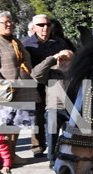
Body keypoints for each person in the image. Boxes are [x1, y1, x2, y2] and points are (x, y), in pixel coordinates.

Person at [0, 10, 68, 165]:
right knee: (7, 125)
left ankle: (12, 155)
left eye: (10, 21)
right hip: (5, 90)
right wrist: (1, 81)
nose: (9, 24)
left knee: (15, 126)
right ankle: (5, 159)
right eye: (5, 22)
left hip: (21, 89)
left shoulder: (14, 40)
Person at [22, 14, 69, 157]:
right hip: (35, 83)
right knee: (37, 115)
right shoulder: (26, 44)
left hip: (55, 84)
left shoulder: (60, 43)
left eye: (47, 25)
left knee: (55, 115)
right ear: (33, 27)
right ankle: (38, 145)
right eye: (41, 25)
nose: (45, 28)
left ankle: (59, 145)